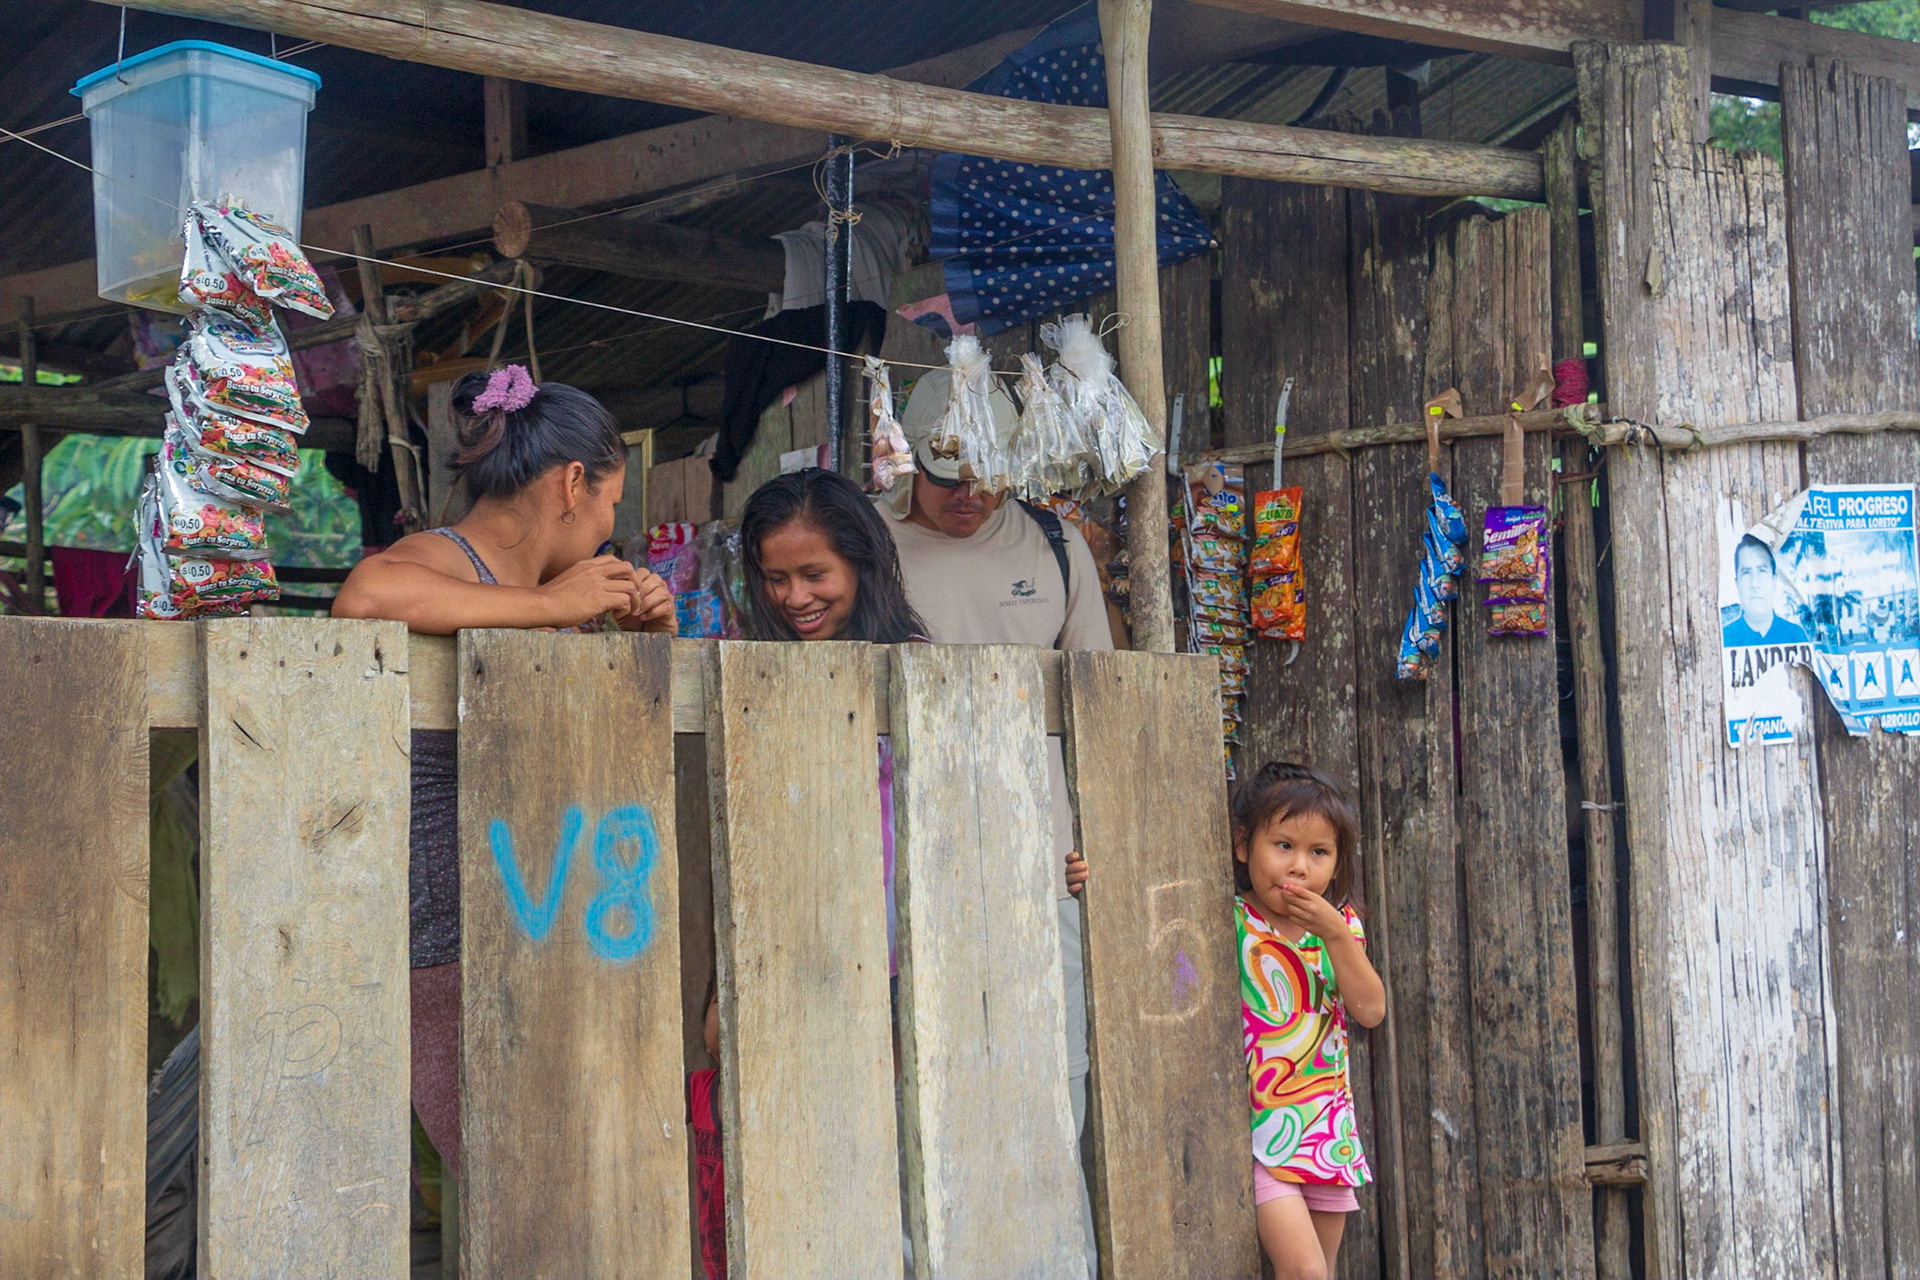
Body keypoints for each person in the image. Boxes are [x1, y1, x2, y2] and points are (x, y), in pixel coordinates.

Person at [332, 364, 676, 1175]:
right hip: (447, 937)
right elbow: (364, 596)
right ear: (571, 483)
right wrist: (556, 608)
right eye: (610, 504)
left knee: (575, 1177)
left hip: (556, 921)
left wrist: (643, 640)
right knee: (512, 1180)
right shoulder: (448, 559)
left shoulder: (554, 590)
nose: (607, 527)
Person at [874, 371, 1105, 1275]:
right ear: (912, 463)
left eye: (988, 476)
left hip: (1043, 865)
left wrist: (1095, 837)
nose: (968, 498)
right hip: (909, 866)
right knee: (916, 1093)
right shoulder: (867, 542)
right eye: (946, 477)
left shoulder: (1055, 545)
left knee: (1050, 1086)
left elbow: (1102, 704)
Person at [1231, 763, 1385, 1280]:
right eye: (1283, 846)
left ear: (1336, 865)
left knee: (1323, 1271)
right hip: (1259, 1134)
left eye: (1318, 853)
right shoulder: (1230, 920)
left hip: (1325, 1132)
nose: (1299, 867)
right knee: (1306, 1273)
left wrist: (1338, 935)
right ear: (1242, 846)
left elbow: (1370, 1010)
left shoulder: (1342, 929)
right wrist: (1084, 882)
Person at [1725, 534, 1810, 647]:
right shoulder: (1725, 637)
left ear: (1774, 580)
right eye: (1746, 572)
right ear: (1737, 584)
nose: (1755, 584)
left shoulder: (1795, 635)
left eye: (1762, 571)